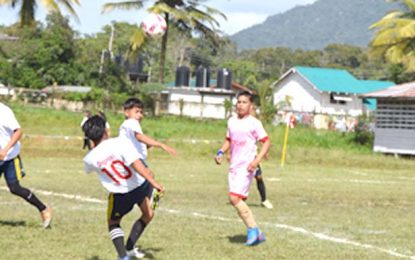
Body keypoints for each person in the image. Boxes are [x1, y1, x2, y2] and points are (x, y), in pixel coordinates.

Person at [83, 115, 164, 260]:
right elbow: (136, 163)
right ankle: (130, 248)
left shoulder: (89, 159)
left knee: (113, 223)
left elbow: (91, 168)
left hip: (120, 193)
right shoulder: (120, 143)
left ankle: (124, 255)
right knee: (148, 215)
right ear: (106, 131)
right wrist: (153, 181)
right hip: (140, 186)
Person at [215, 91, 271, 246]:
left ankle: (253, 230)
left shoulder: (254, 123)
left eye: (244, 102)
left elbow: (266, 142)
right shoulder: (231, 121)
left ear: (250, 105)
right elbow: (228, 140)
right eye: (238, 102)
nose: (240, 105)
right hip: (234, 166)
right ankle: (258, 233)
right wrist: (221, 151)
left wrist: (256, 161)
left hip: (247, 166)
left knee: (234, 198)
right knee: (237, 200)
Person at [0, 102, 52, 228]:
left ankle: (44, 209)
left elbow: (18, 132)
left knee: (15, 188)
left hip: (10, 156)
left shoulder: (4, 111)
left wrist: (5, 150)